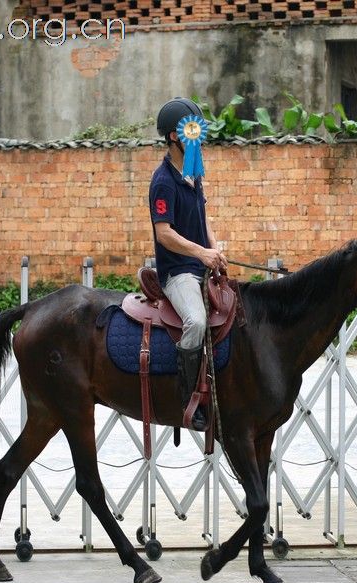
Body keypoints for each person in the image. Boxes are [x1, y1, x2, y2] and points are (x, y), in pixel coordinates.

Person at [149, 97, 228, 432]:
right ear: (173, 136)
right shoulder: (162, 180)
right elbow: (164, 234)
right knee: (195, 321)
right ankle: (186, 398)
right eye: (191, 131)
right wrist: (200, 254)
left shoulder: (195, 168)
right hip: (177, 272)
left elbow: (202, 215)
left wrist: (215, 247)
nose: (197, 137)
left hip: (200, 264)